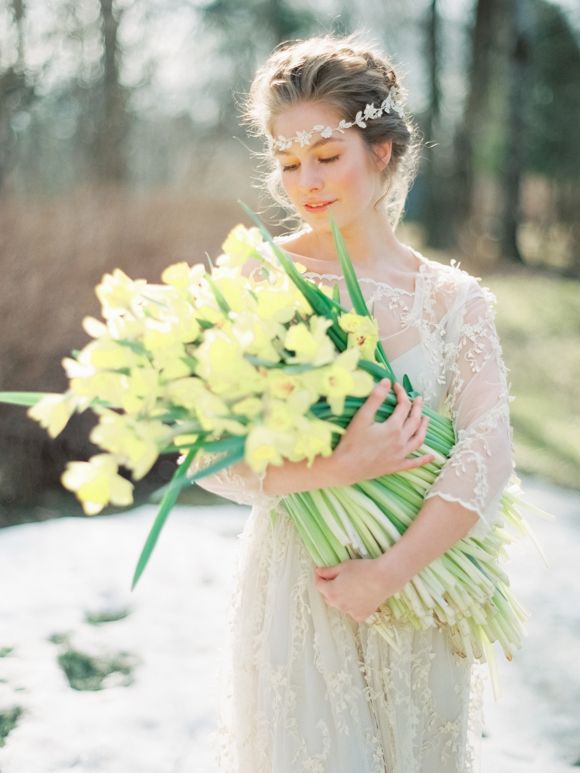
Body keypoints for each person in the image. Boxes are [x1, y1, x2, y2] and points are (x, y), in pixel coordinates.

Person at [195, 32, 515, 773]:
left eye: (326, 155)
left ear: (381, 150)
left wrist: (391, 570)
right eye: (287, 161)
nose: (305, 180)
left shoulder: (451, 300)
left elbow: (487, 448)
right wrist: (335, 467)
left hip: (424, 589)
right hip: (301, 587)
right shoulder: (255, 275)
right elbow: (207, 454)